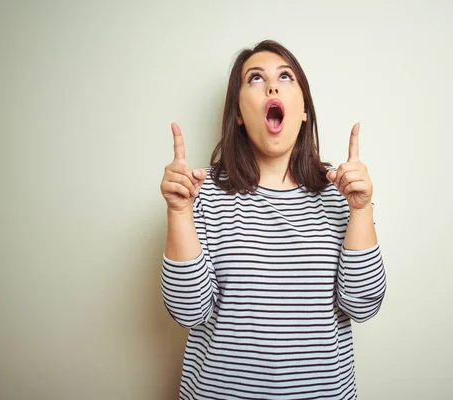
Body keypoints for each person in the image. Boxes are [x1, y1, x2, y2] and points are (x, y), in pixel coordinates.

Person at [159, 39, 386, 400]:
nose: (272, 85)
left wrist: (360, 209)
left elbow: (363, 305)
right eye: (255, 78)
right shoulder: (199, 193)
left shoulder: (340, 193)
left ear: (304, 111)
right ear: (237, 113)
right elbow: (189, 312)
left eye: (285, 76)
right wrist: (178, 211)